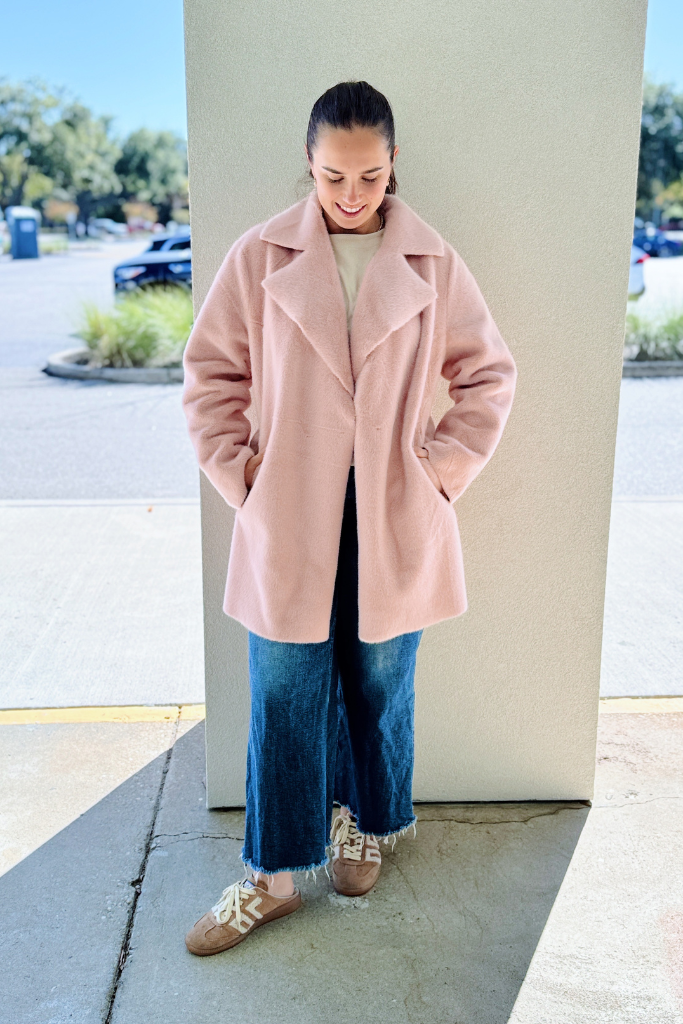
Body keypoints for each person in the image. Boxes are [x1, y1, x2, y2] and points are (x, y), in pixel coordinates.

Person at [181, 81, 517, 956]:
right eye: (333, 175)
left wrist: (438, 474)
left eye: (369, 175)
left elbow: (487, 377)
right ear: (309, 161)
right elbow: (210, 374)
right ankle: (271, 877)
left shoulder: (430, 262)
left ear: (392, 162)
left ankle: (364, 825)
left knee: (378, 682)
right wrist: (242, 477)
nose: (352, 193)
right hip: (288, 511)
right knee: (283, 689)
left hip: (392, 510)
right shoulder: (259, 256)